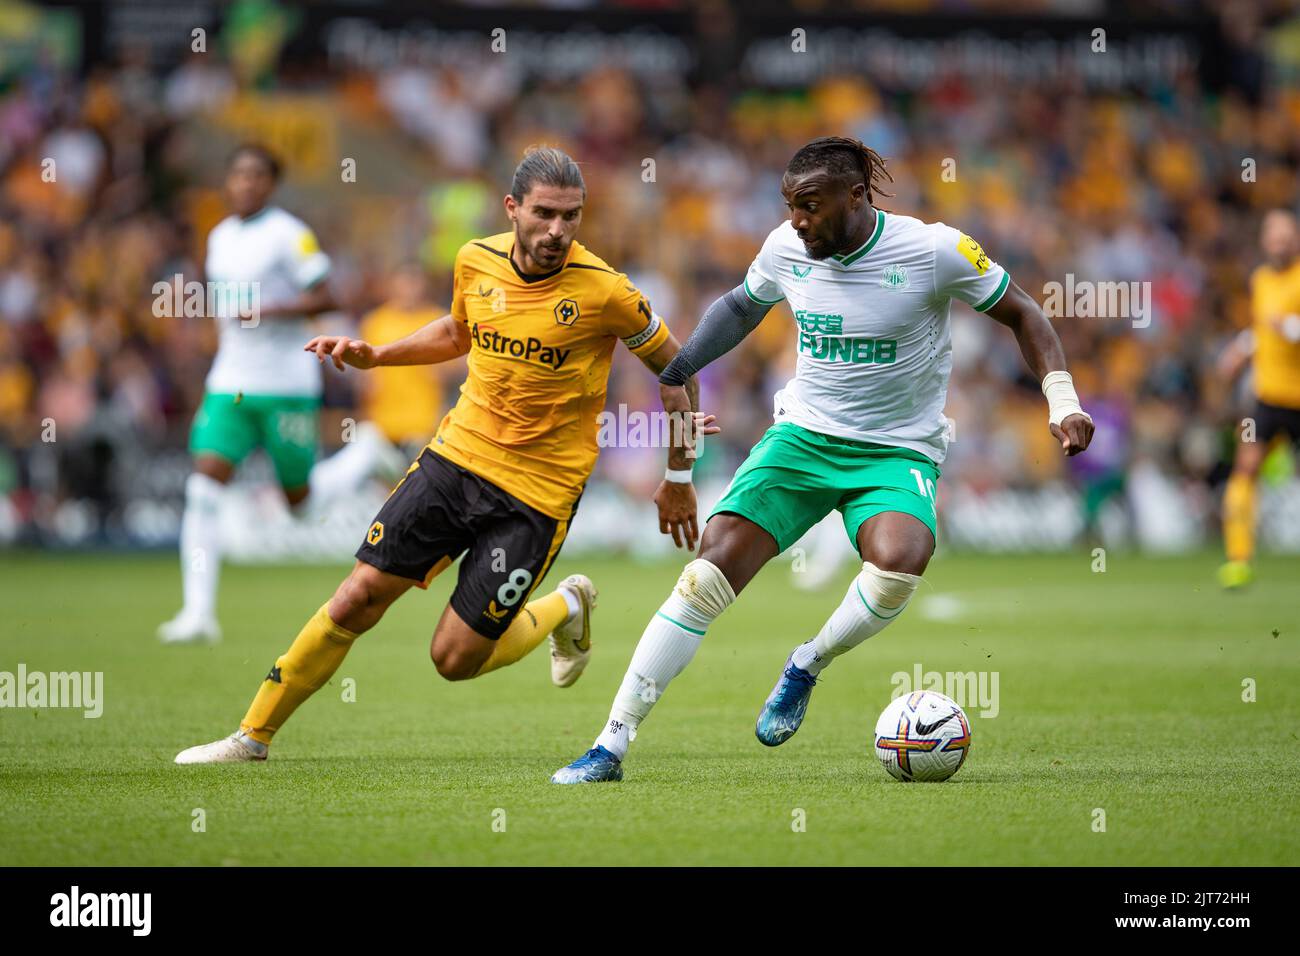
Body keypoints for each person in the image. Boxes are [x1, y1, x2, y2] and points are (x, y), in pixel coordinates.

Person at [552, 136, 1094, 784]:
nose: (797, 220)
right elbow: (739, 308)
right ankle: (610, 746)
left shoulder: (932, 250)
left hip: (897, 447)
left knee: (899, 563)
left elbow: (1025, 314)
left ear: (856, 197)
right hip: (804, 437)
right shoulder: (786, 249)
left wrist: (1060, 401)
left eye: (810, 205)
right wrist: (679, 366)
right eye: (790, 206)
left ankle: (807, 662)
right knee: (705, 574)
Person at [174, 146, 712, 764]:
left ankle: (569, 603)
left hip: (536, 496)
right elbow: (458, 332)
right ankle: (252, 737)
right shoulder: (474, 260)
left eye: (572, 216)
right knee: (356, 597)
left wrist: (679, 474)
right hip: (455, 459)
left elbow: (681, 374)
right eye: (544, 214)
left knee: (453, 660)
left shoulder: (605, 291)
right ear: (512, 209)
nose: (558, 231)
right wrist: (378, 354)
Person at [158, 144, 402, 645]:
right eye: (238, 174)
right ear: (228, 182)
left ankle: (365, 453)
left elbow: (328, 295)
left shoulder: (290, 235)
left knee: (301, 506)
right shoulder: (220, 235)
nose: (245, 183)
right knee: (202, 490)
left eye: (256, 176)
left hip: (287, 385)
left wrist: (267, 311)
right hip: (231, 385)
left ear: (271, 183)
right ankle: (198, 613)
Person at [1218, 209, 1300, 589]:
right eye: (1274, 236)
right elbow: (1260, 326)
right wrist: (1241, 349)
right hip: (1267, 398)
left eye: (1286, 236)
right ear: (1265, 241)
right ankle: (1239, 560)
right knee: (1245, 469)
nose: (1280, 243)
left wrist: (1289, 327)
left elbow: (1280, 325)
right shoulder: (1261, 279)